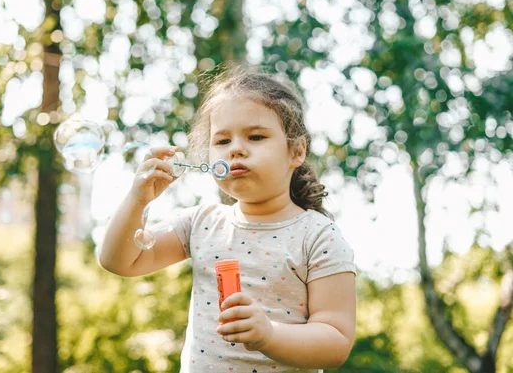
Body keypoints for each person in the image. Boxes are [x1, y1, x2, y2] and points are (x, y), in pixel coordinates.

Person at [99, 65, 357, 373]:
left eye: (256, 136)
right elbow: (119, 260)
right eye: (222, 141)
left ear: (296, 151)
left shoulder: (318, 236)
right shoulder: (201, 223)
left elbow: (336, 341)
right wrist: (137, 199)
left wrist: (270, 335)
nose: (235, 149)